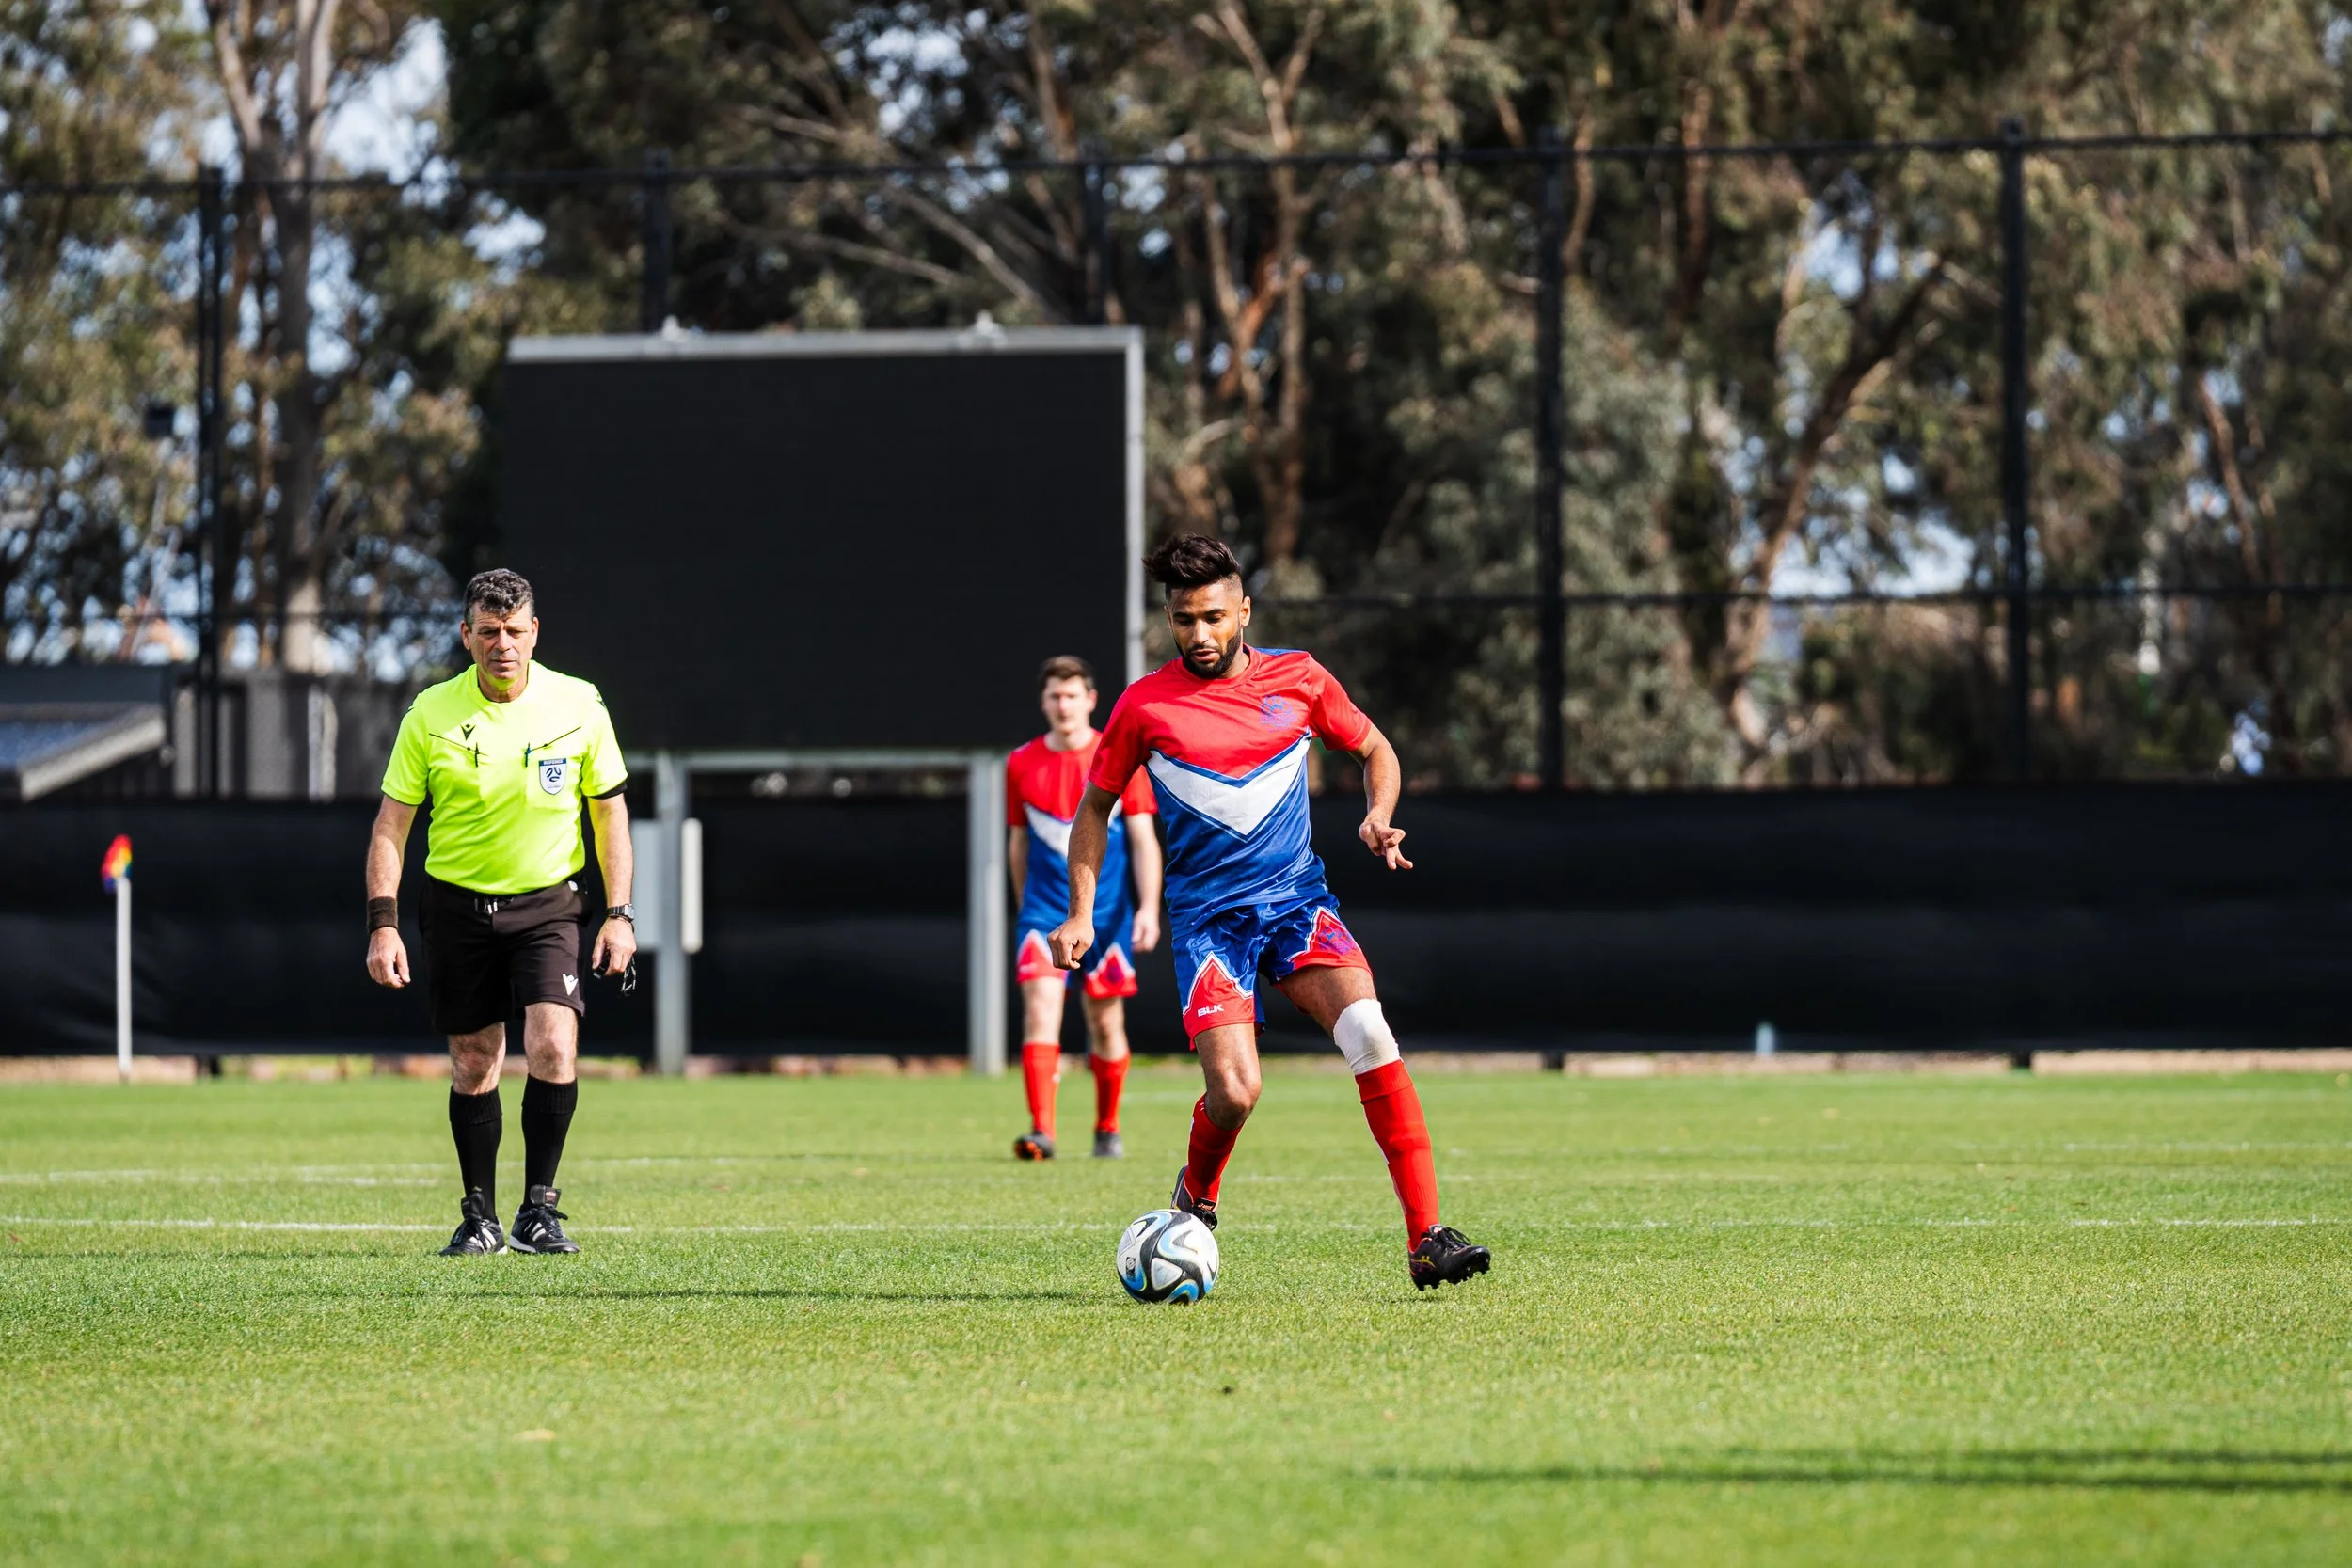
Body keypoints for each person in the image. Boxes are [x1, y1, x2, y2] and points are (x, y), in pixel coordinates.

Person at [1048, 535, 1491, 1291]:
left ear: (1244, 610)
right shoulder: (1144, 705)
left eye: (1215, 616)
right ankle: (1197, 1194)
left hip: (1296, 902)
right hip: (1209, 921)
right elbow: (1096, 808)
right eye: (1184, 619)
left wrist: (1378, 813)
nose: (1200, 635)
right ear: (1169, 618)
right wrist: (1081, 910)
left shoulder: (1301, 678)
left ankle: (1427, 1236)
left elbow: (1375, 747)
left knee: (1370, 1030)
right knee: (1236, 1092)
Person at [363, 569, 636, 1257]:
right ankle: (478, 1215)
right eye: (488, 632)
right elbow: (390, 828)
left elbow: (610, 819)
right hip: (456, 907)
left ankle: (539, 1209)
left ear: (535, 632)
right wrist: (383, 922)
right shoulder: (430, 713)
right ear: (467, 635)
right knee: (475, 1059)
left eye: (515, 631)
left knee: (552, 1041)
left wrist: (620, 912)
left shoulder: (579, 704)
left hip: (549, 904)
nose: (502, 644)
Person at [1006, 656, 1162, 1161]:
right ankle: (1041, 1132)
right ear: (1043, 702)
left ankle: (1107, 1128)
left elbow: (1142, 839)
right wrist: (1024, 905)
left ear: (1091, 700)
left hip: (1108, 915)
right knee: (1040, 1012)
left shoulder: (1116, 755)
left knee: (1105, 1023)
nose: (1063, 705)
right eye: (1054, 695)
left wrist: (1148, 908)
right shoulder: (1020, 763)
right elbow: (1018, 844)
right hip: (1043, 913)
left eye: (1072, 695)